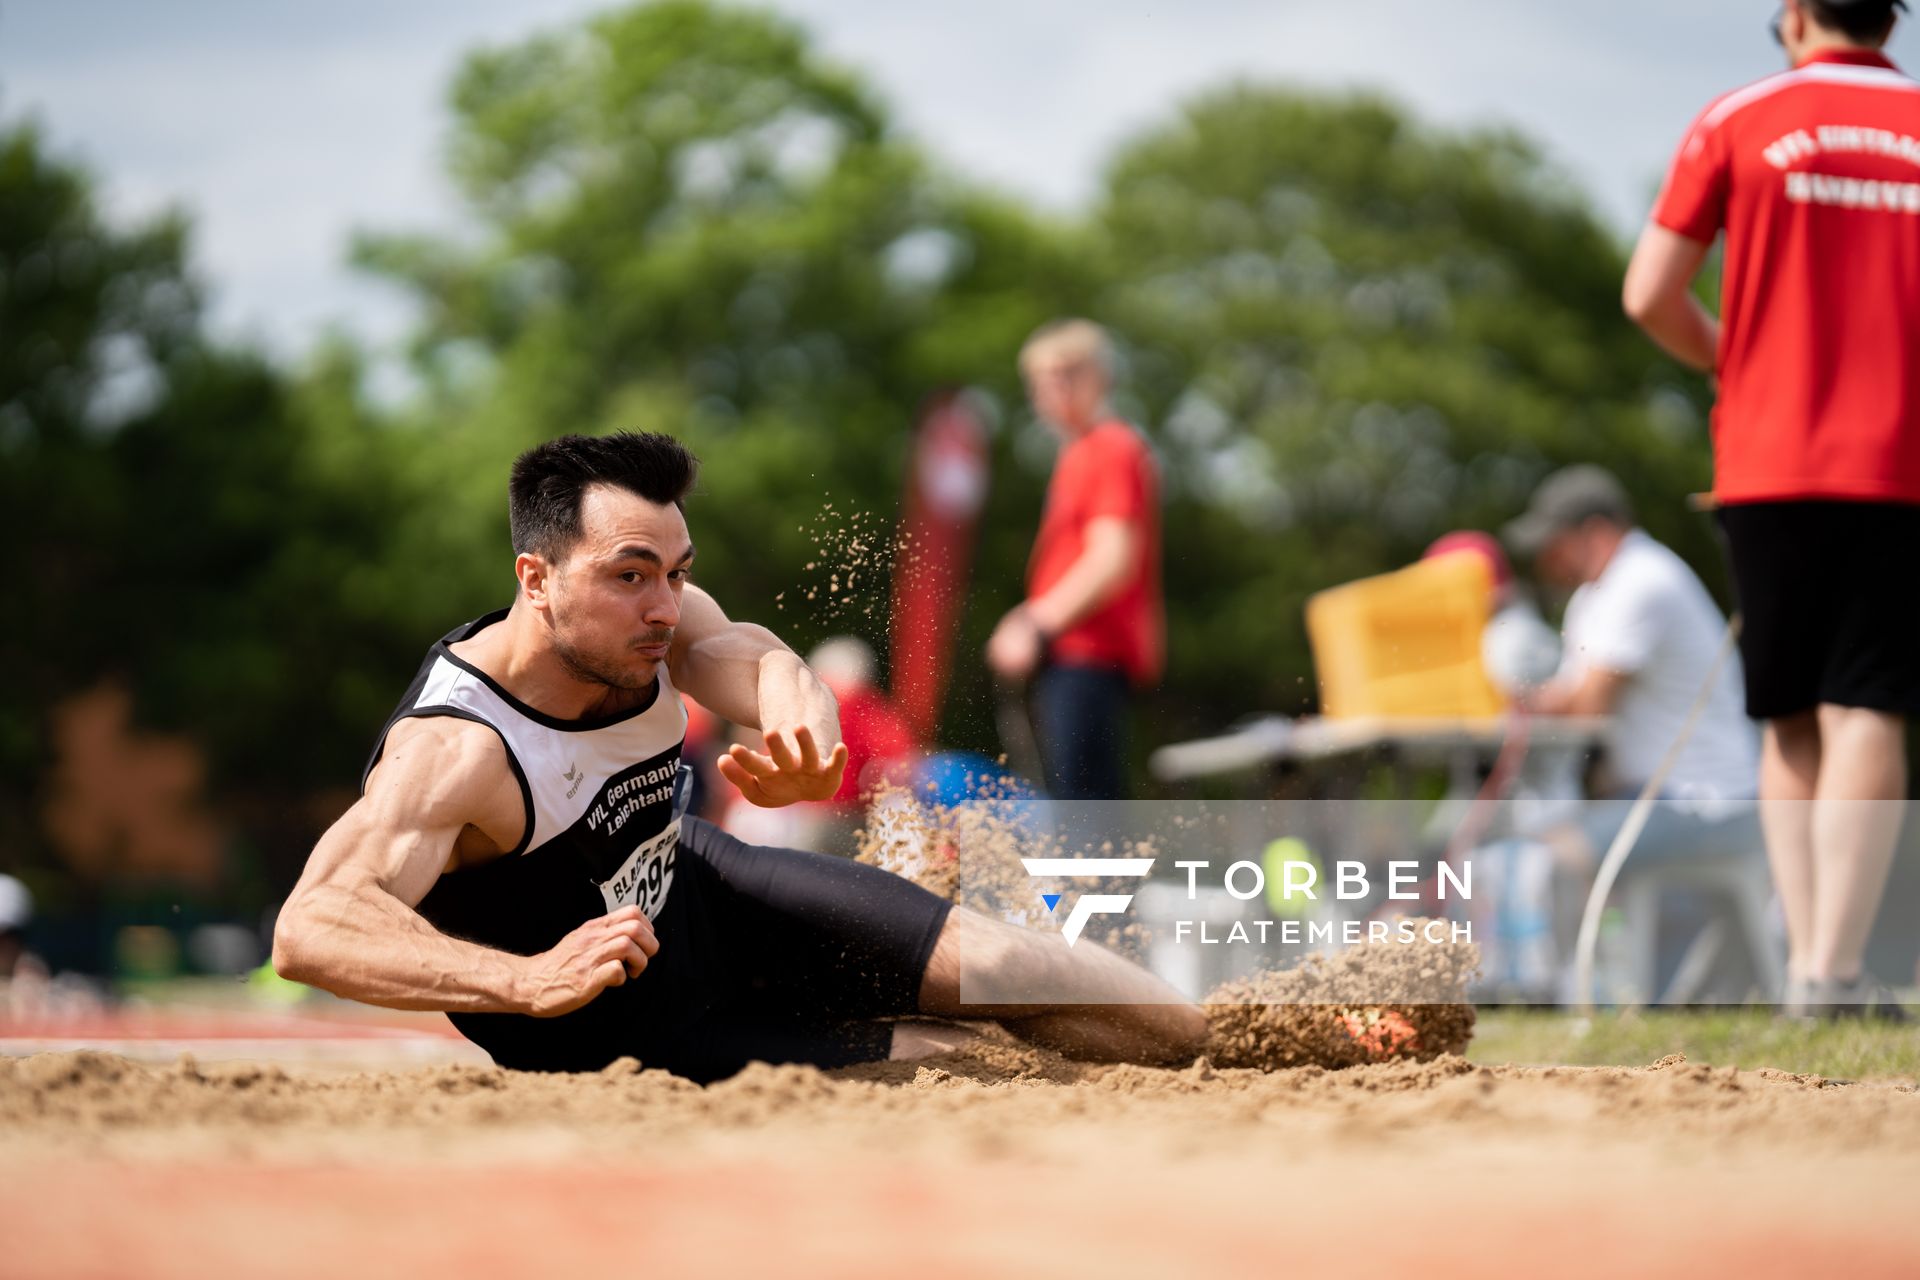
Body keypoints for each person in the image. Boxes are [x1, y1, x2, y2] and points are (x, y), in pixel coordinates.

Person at [272, 432, 1204, 1082]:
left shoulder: (648, 622)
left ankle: (1277, 1040)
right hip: (629, 1032)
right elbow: (312, 927)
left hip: (718, 894)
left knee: (1040, 978)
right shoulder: (456, 749)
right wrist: (519, 980)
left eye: (676, 573)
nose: (665, 605)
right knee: (971, 1059)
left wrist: (808, 732)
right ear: (536, 578)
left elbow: (752, 656)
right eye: (632, 574)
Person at [1622, 0, 1917, 1018]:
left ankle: (1803, 971)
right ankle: (1836, 966)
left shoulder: (1736, 116)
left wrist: (1735, 358)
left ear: (1794, 16)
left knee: (1787, 714)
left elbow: (1649, 293)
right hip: (1900, 461)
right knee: (1870, 701)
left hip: (1768, 458)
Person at [1504, 467, 1766, 995]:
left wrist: (1519, 701)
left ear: (1593, 531)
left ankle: (1573, 999)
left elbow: (1586, 709)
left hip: (1709, 803)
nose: (1547, 559)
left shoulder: (1643, 580)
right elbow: (1572, 702)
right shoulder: (1598, 594)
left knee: (1546, 857)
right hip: (1659, 799)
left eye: (1554, 543)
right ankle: (1601, 994)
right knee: (1542, 842)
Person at [986, 320, 1163, 800]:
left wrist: (1034, 623)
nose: (1053, 389)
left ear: (1101, 375)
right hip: (1075, 656)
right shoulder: (1081, 453)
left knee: (1085, 812)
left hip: (1089, 653)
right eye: (1041, 379)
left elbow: (1112, 558)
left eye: (1067, 372)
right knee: (1084, 807)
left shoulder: (1110, 447)